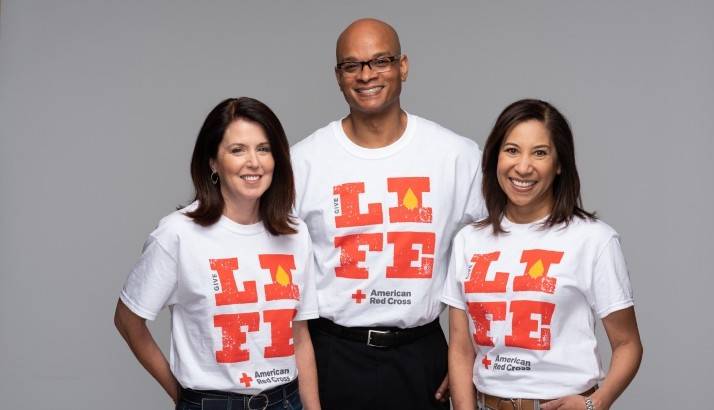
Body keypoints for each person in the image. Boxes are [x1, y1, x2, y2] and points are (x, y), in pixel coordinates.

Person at [290, 18, 484, 410]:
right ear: (338, 75)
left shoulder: (457, 156)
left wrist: (472, 354)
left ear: (403, 66)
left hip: (422, 356)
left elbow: (491, 256)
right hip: (333, 356)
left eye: (380, 61)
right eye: (352, 65)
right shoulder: (303, 162)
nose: (366, 75)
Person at [114, 97, 321, 410]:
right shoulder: (178, 235)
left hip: (286, 401)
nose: (254, 162)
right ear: (213, 162)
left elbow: (299, 334)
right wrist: (182, 395)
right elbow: (128, 320)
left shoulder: (295, 233)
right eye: (237, 150)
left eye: (263, 149)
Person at [444, 99, 643, 410]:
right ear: (495, 157)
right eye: (512, 150)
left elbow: (628, 344)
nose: (523, 167)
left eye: (540, 152)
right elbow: (460, 349)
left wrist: (596, 404)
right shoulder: (468, 241)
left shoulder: (593, 240)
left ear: (559, 163)